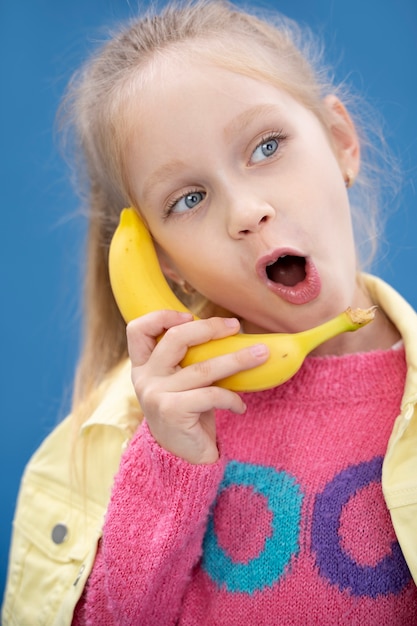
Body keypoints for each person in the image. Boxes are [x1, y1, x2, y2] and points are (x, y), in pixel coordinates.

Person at [3, 0, 417, 624]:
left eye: (267, 146)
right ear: (165, 262)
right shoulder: (136, 432)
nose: (246, 211)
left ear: (341, 144)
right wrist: (168, 464)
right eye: (189, 198)